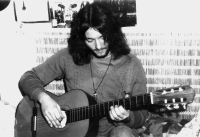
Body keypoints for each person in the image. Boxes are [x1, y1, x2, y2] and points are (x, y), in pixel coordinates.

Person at [18, 2, 149, 137]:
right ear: (81, 39)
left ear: (113, 33)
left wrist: (128, 117)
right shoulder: (68, 57)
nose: (98, 46)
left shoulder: (131, 64)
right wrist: (43, 99)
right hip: (75, 133)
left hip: (113, 132)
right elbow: (27, 78)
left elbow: (143, 115)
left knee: (122, 133)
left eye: (102, 37)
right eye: (90, 40)